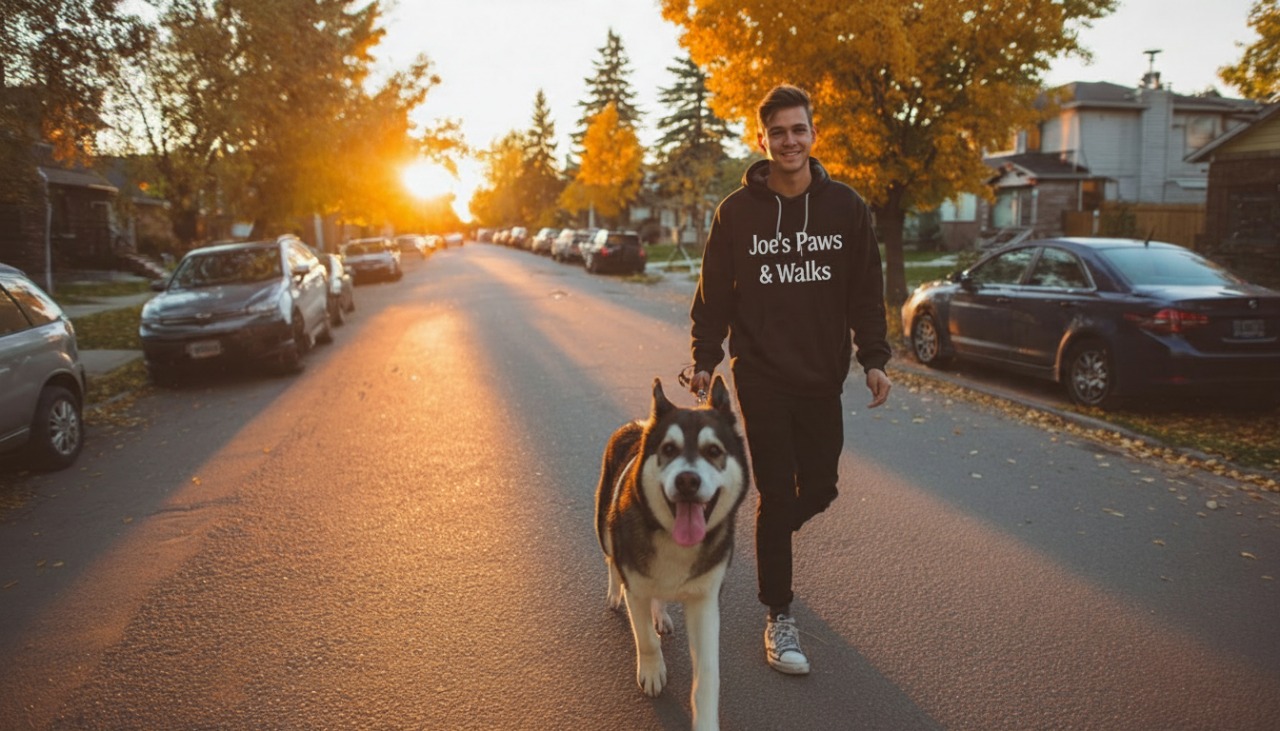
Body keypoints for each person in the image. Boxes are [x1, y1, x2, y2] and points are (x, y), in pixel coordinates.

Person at [687, 84, 892, 676]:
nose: (789, 141)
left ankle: (766, 531)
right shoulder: (736, 213)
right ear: (763, 139)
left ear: (814, 134)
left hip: (821, 376)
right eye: (778, 132)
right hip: (762, 376)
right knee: (778, 492)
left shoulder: (846, 209)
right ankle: (780, 615)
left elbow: (865, 293)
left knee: (821, 487)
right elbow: (713, 296)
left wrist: (872, 358)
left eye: (798, 129)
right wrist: (706, 356)